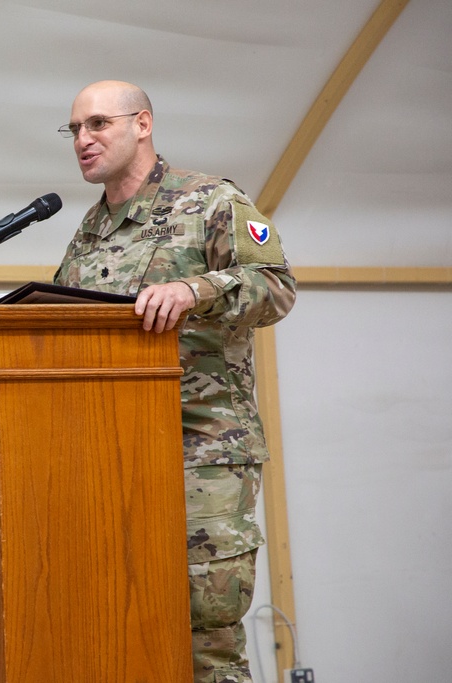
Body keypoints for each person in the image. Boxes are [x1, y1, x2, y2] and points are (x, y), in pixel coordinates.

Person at [53, 80, 296, 683]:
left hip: (204, 449)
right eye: (75, 130)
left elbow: (276, 287)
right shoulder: (90, 229)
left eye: (98, 124)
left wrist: (196, 290)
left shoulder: (212, 200)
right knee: (122, 620)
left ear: (143, 124)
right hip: (111, 453)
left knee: (206, 636)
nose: (83, 140)